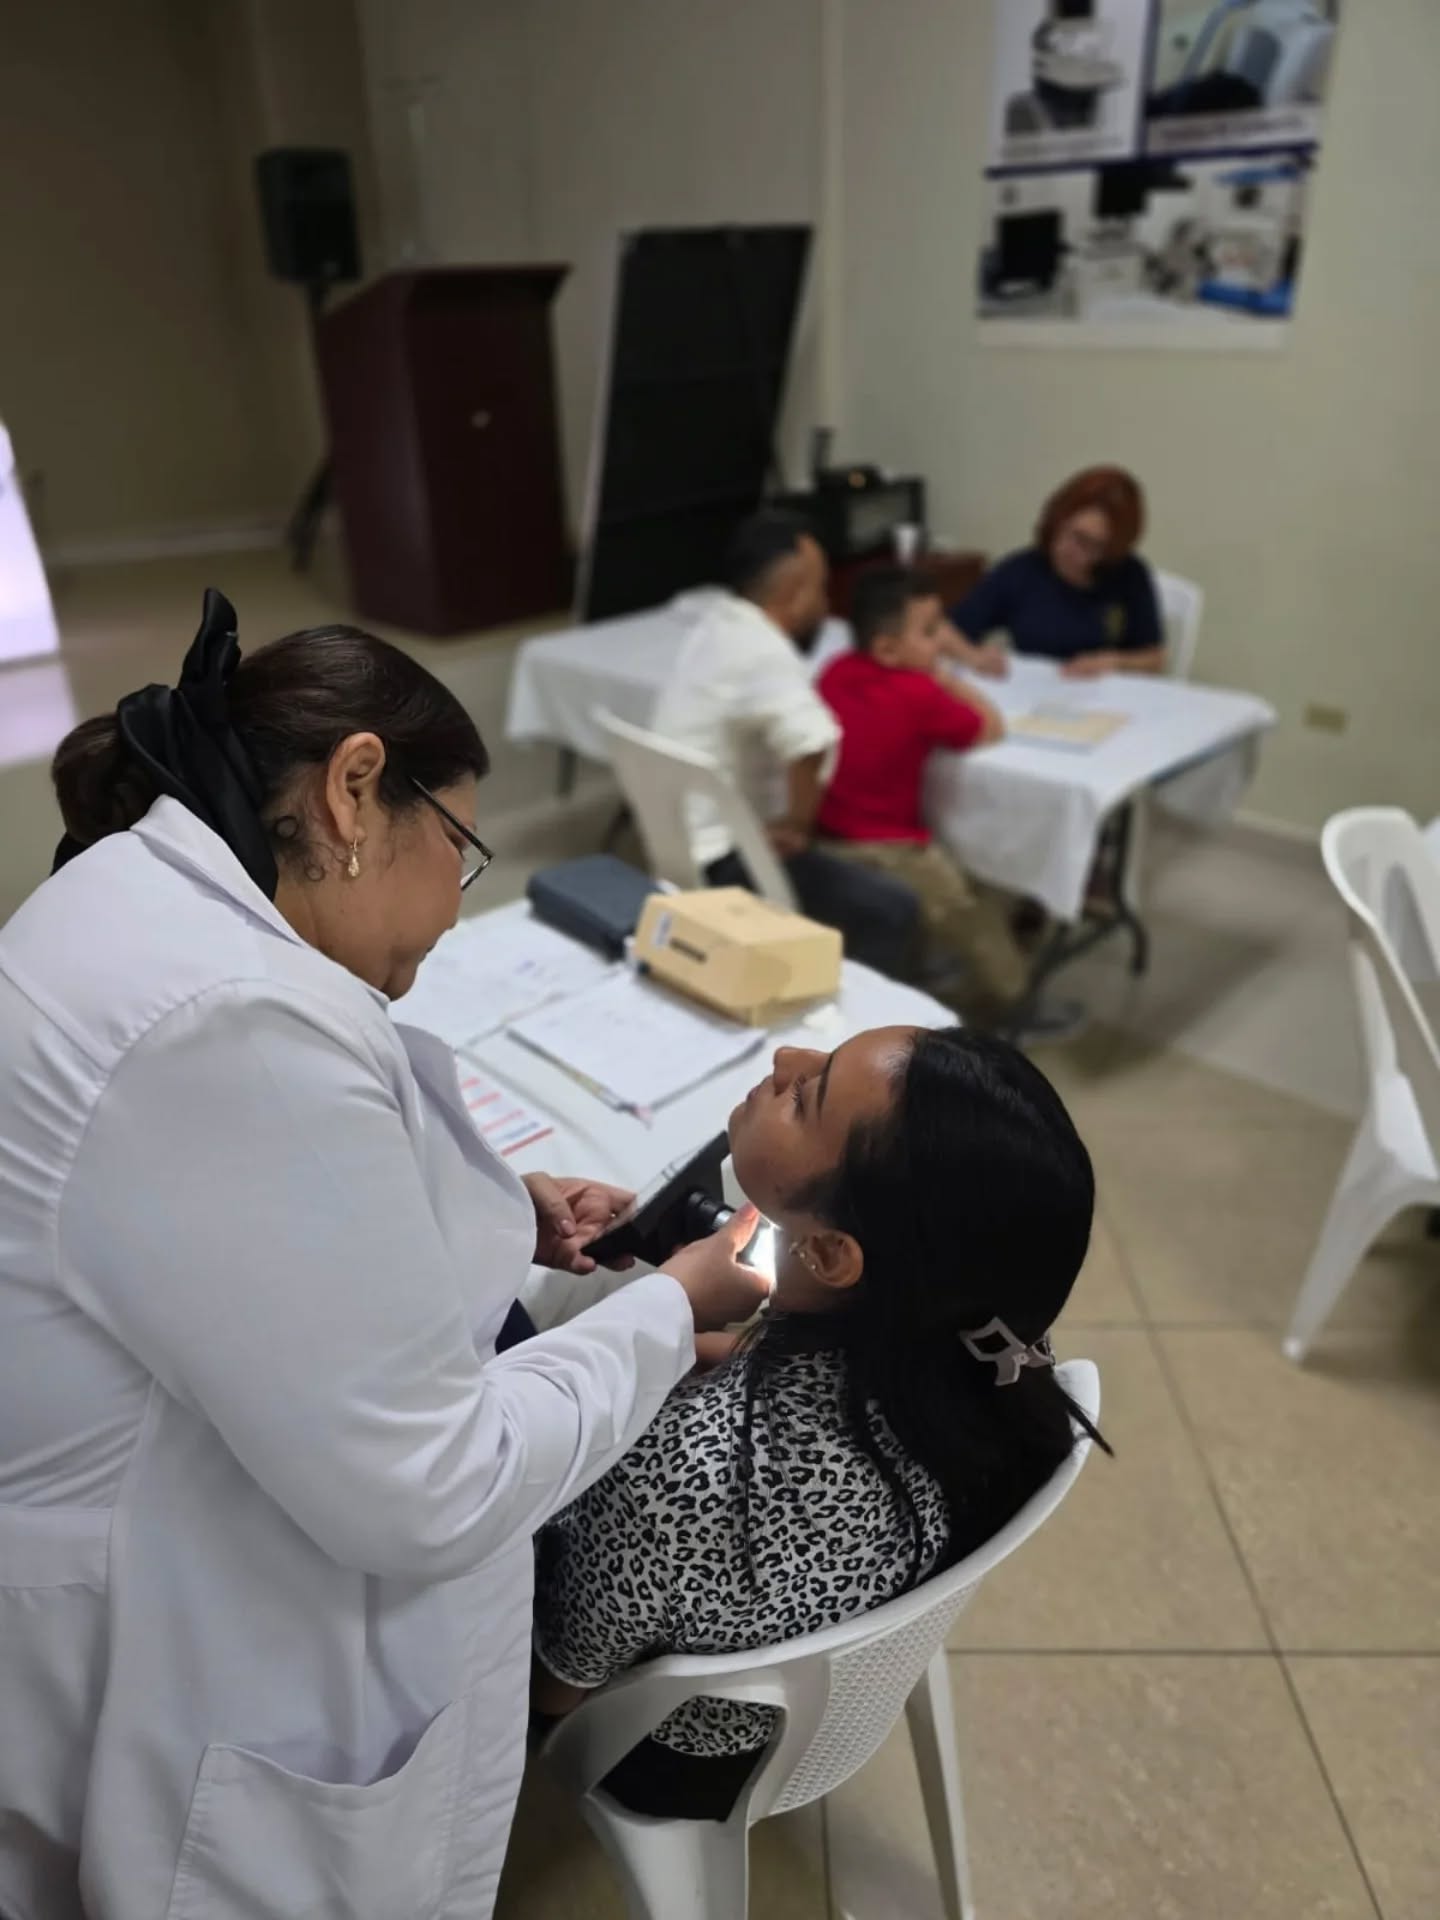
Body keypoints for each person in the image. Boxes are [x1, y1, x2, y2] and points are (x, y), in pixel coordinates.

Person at [0, 591, 769, 1920]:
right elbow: (430, 1486)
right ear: (356, 790)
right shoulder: (225, 1023)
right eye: (459, 850)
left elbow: (224, 1229)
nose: (456, 913)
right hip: (173, 1618)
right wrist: (659, 1313)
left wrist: (483, 1210)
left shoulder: (152, 905)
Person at [532, 1025, 1108, 1821]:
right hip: (831, 1698)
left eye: (810, 1096)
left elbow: (558, 1683)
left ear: (834, 1256)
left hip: (668, 1752)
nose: (784, 1061)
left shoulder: (682, 1485)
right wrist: (673, 1329)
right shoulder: (982, 1355)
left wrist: (637, 1329)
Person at [652, 511, 920, 978]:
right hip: (724, 859)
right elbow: (813, 743)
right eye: (820, 589)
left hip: (673, 840)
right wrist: (798, 826)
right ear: (793, 594)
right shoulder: (764, 651)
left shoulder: (714, 625)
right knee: (894, 908)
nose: (824, 604)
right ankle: (851, 1012)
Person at [813, 567, 1075, 1036]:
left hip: (826, 835)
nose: (942, 643)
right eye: (930, 632)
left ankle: (926, 965)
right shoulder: (920, 692)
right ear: (888, 649)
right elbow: (990, 727)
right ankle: (1018, 1005)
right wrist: (946, 678)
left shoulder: (835, 671)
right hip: (889, 848)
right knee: (973, 910)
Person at [947, 466, 1166, 679]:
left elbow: (1155, 659)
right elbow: (946, 630)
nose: (1079, 554)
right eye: (1076, 536)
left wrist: (1113, 662)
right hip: (1032, 691)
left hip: (1107, 693)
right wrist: (973, 656)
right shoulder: (1022, 571)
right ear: (1057, 520)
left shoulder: (1129, 574)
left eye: (1096, 547)